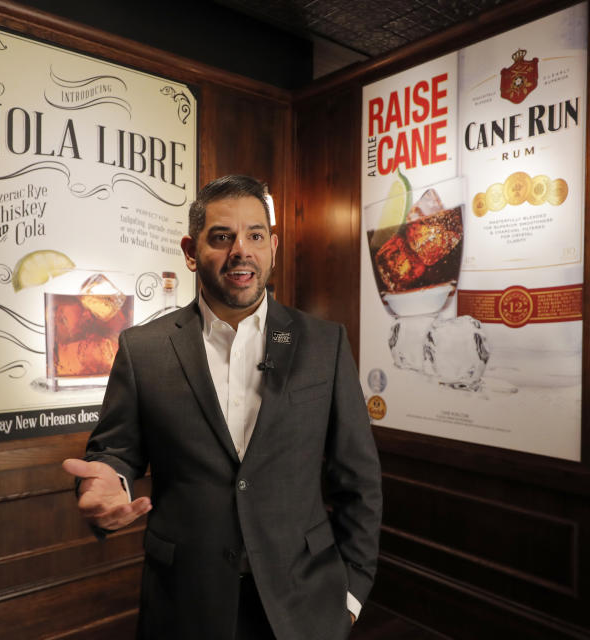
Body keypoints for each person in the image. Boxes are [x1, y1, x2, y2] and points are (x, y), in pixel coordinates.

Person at [63, 175, 382, 640]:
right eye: (221, 237)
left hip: (304, 601)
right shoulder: (143, 349)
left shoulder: (323, 343)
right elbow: (116, 452)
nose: (241, 250)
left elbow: (359, 477)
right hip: (184, 600)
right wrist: (105, 479)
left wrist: (352, 593)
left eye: (255, 235)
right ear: (191, 251)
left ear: (272, 246)